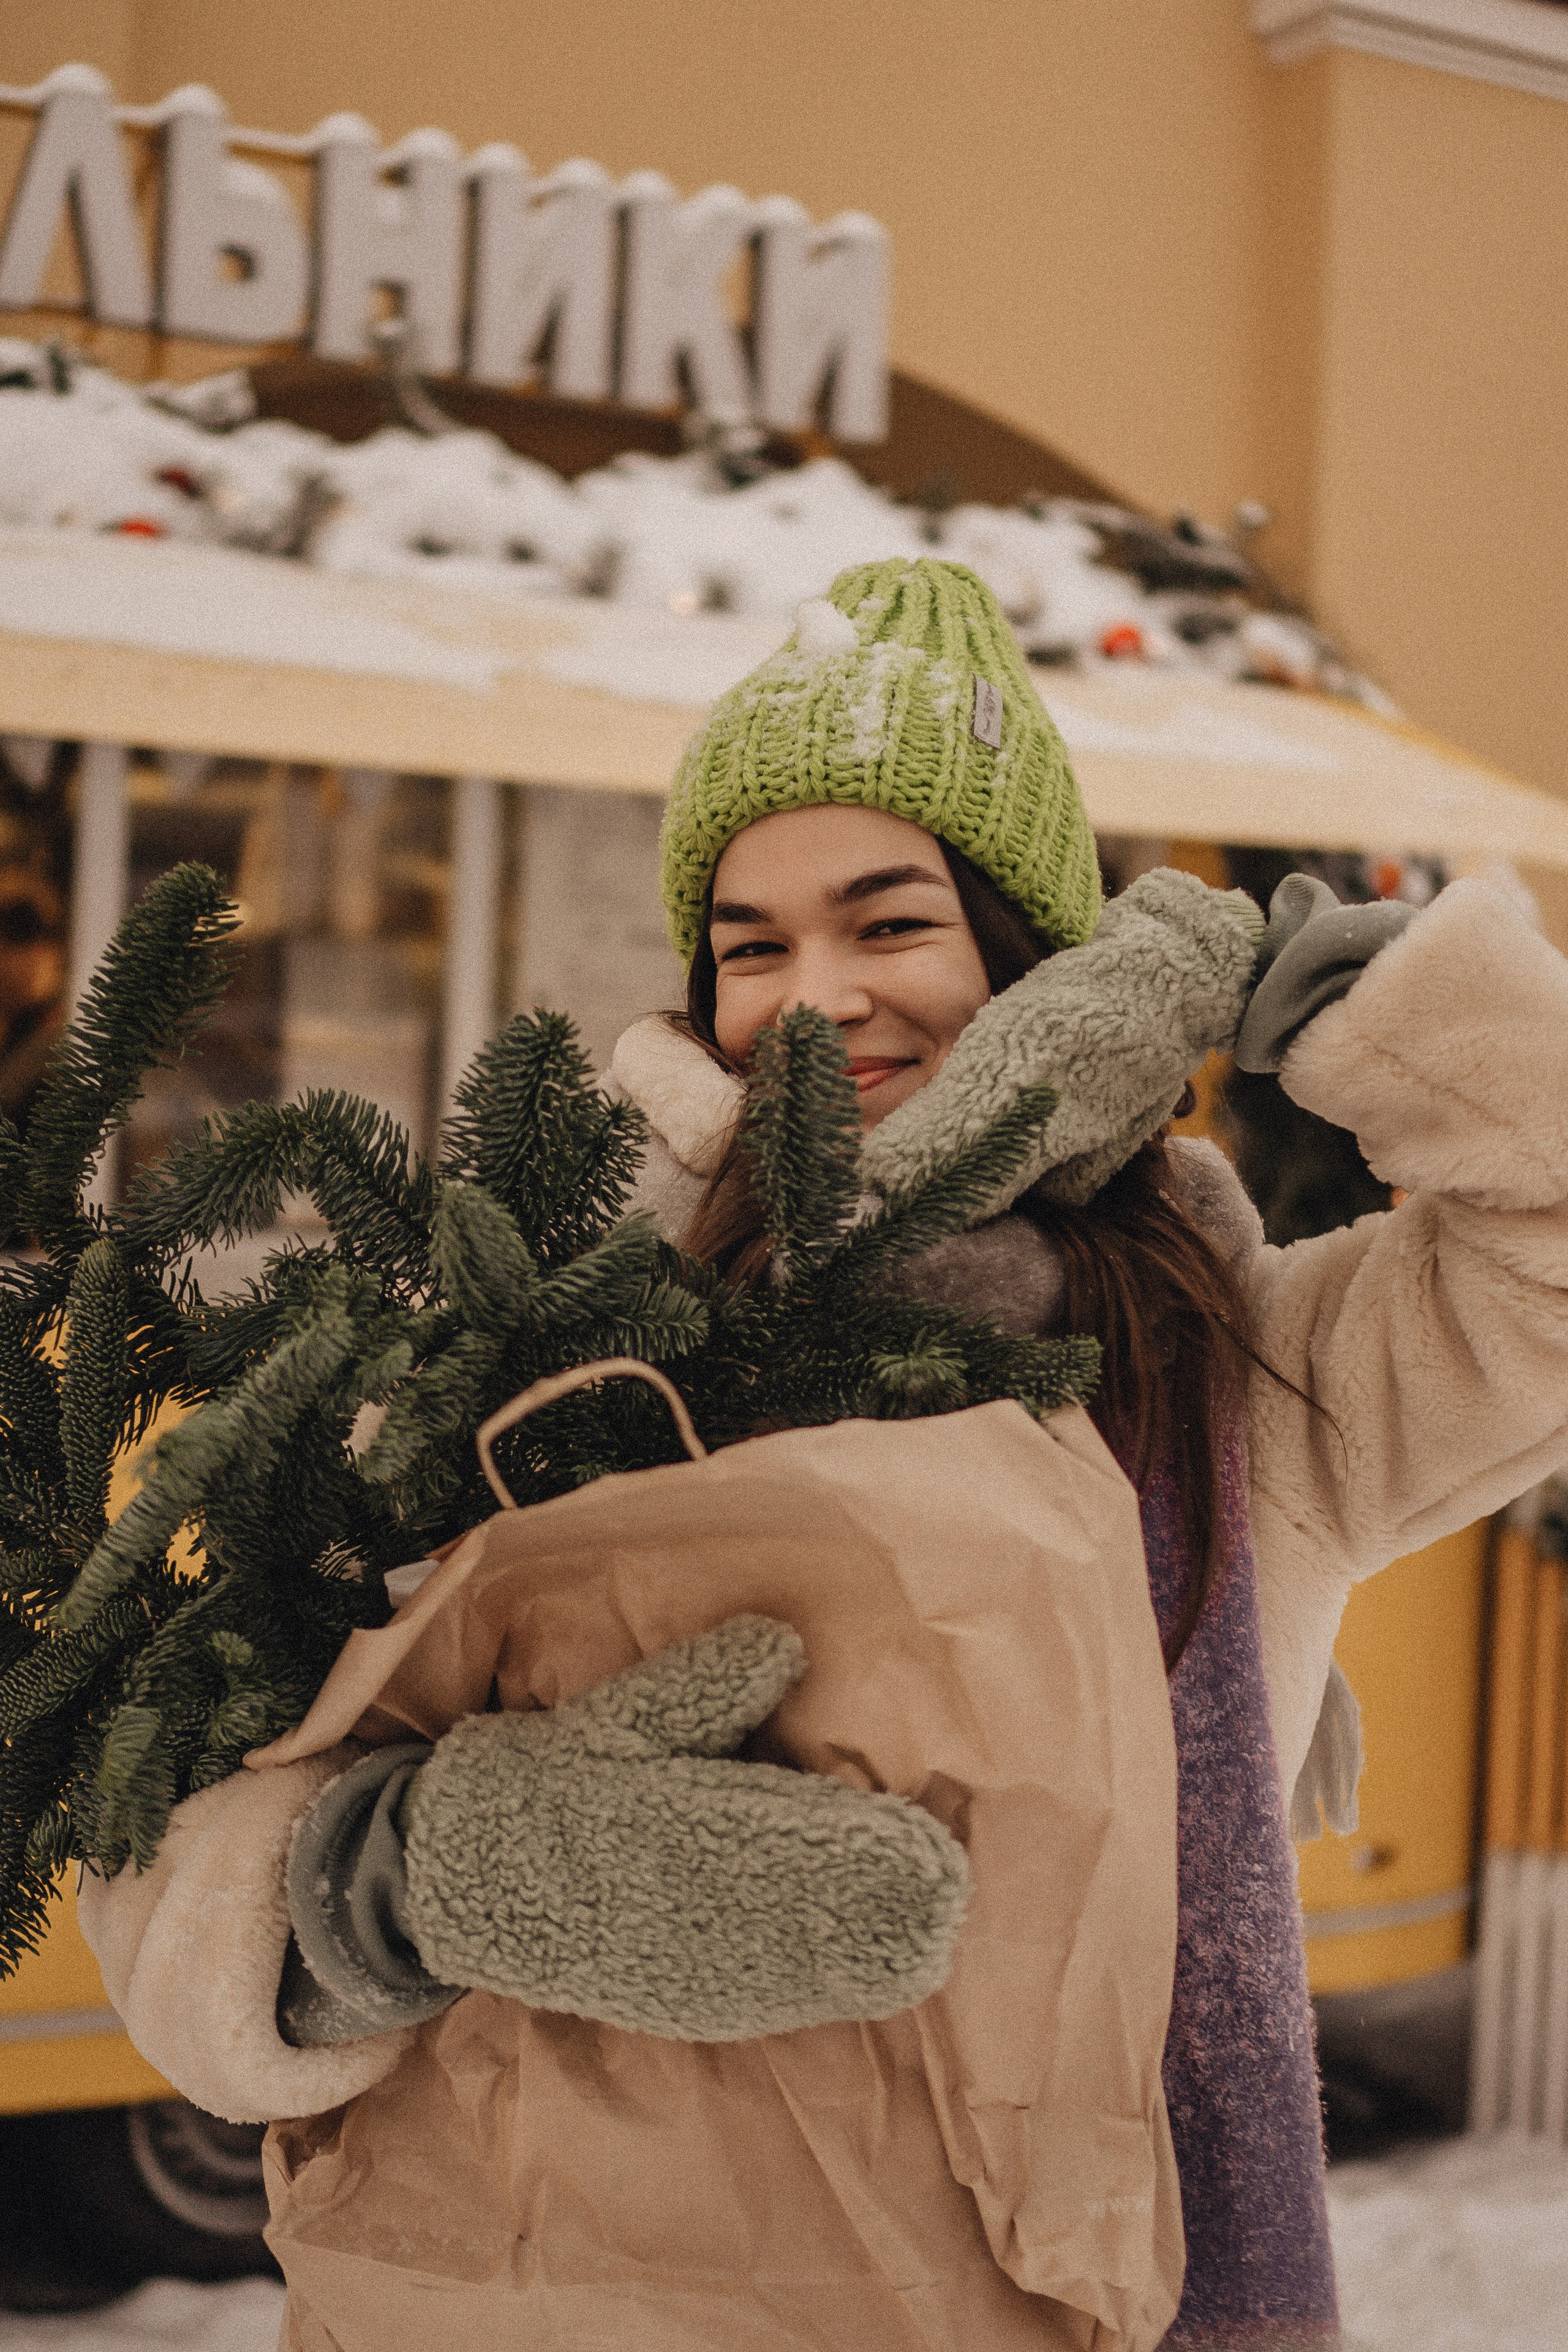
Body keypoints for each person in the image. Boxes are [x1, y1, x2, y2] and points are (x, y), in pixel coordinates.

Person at [83, 559, 1568, 2351]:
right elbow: (176, 1795)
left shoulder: (1237, 1377)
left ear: (1027, 950)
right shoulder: (558, 1350)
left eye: (889, 923)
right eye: (752, 943)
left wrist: (1411, 1023)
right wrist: (390, 1882)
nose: (819, 999)